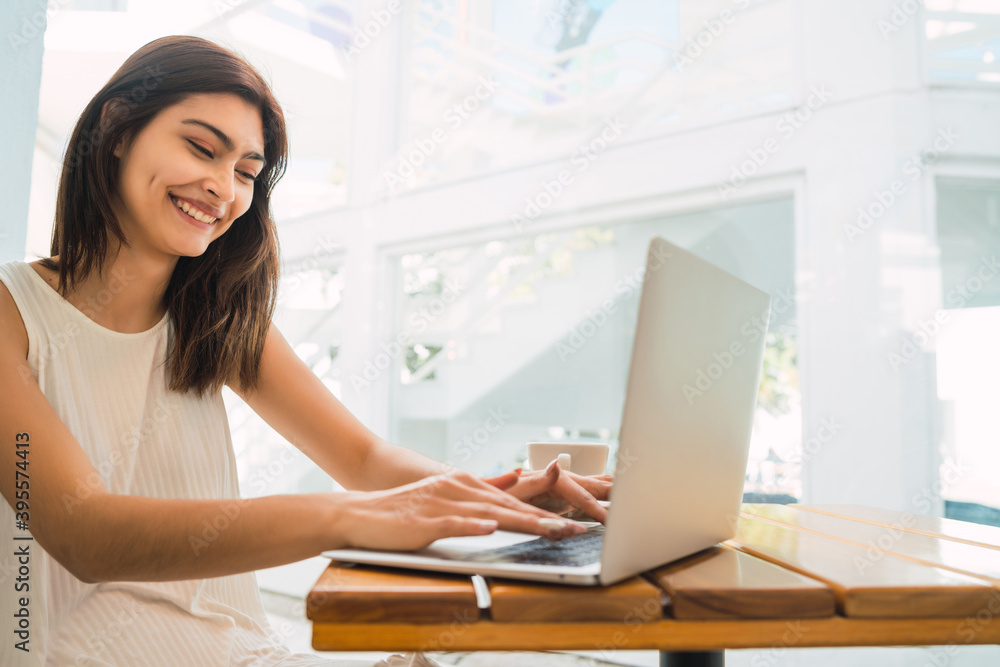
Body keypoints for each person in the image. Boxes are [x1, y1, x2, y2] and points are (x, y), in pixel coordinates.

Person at [0, 35, 611, 666]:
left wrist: (496, 497)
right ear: (118, 127)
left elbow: (364, 456)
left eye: (245, 173)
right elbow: (86, 533)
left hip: (240, 652)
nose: (222, 189)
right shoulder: (10, 314)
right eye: (202, 148)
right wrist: (355, 517)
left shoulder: (215, 317)